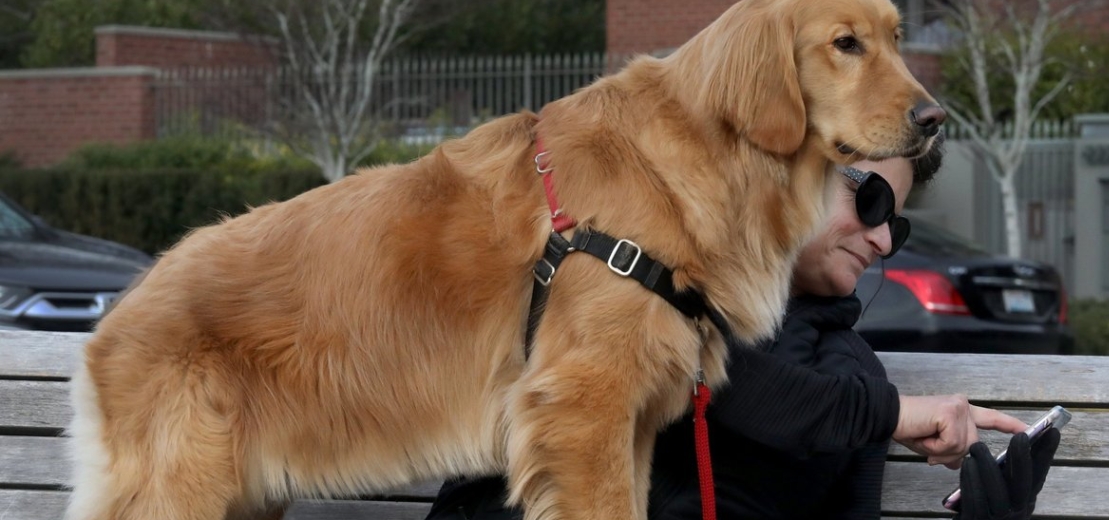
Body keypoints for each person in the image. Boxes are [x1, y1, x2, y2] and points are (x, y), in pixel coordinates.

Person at [424, 144, 1060, 520]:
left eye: (898, 223)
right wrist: (887, 414)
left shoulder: (848, 375)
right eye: (869, 203)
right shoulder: (625, 283)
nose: (884, 238)